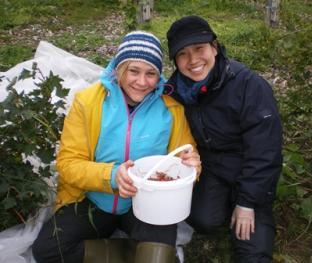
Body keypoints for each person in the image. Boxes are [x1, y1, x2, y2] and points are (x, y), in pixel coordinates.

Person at [32, 30, 201, 263]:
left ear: (159, 76)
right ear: (119, 68)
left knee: (157, 258)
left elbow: (186, 156)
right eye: (134, 71)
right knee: (47, 250)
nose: (142, 82)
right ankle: (130, 253)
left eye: (151, 73)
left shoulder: (171, 110)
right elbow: (68, 164)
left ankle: (143, 252)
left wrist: (193, 166)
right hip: (92, 200)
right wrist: (112, 176)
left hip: (147, 204)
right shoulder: (88, 103)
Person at [165, 16, 283, 262]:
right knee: (202, 219)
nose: (194, 60)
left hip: (250, 167)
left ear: (214, 48)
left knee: (253, 251)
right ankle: (227, 204)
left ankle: (251, 206)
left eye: (199, 49)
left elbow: (265, 151)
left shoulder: (249, 85)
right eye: (183, 54)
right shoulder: (174, 93)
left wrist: (248, 202)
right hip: (213, 169)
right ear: (175, 61)